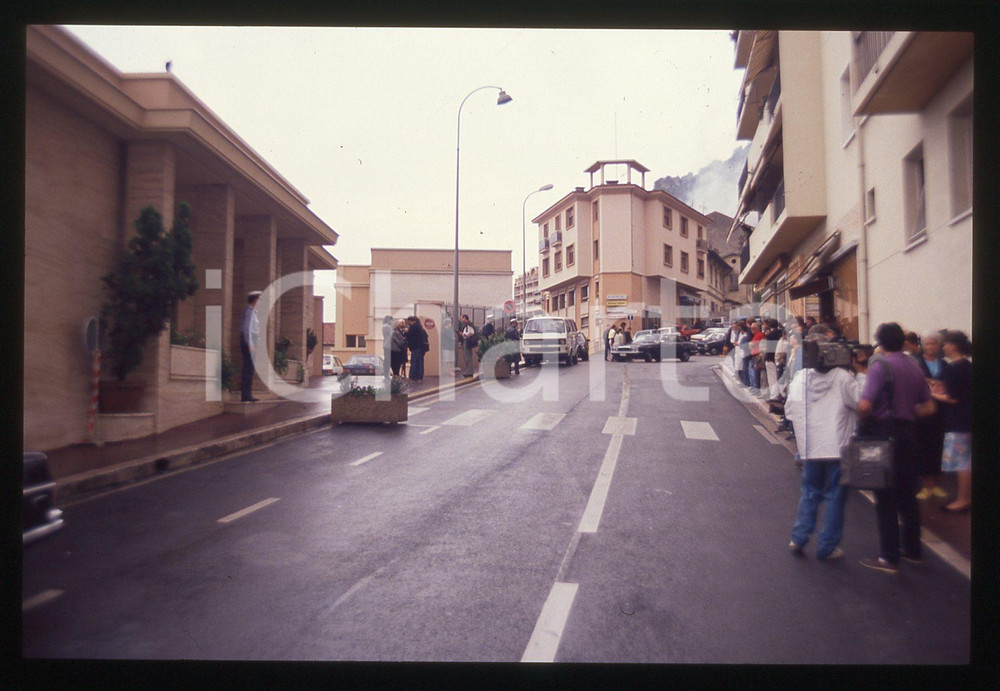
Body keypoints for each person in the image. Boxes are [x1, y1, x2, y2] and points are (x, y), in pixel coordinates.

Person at [856, 322, 936, 574]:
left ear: (879, 343)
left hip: (883, 433)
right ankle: (913, 550)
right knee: (907, 494)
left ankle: (888, 558)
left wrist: (858, 413)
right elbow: (929, 407)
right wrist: (906, 411)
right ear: (903, 342)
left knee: (885, 496)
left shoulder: (880, 367)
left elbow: (866, 405)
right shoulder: (914, 367)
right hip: (908, 434)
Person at [785, 325, 865, 560]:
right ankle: (827, 546)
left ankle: (798, 537)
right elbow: (861, 403)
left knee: (809, 493)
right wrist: (860, 372)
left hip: (811, 446)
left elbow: (790, 411)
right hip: (838, 447)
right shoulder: (842, 378)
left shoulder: (800, 377)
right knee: (834, 498)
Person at [931, 330, 972, 513]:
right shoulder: (967, 365)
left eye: (946, 343)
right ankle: (964, 497)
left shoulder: (953, 367)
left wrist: (931, 394)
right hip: (967, 417)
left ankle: (963, 499)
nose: (944, 347)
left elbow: (953, 398)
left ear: (953, 346)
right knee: (966, 460)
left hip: (957, 420)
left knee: (962, 462)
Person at [914, 330, 947, 501]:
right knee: (924, 448)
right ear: (922, 346)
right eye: (927, 343)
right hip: (924, 411)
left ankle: (936, 484)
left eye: (933, 343)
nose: (930, 346)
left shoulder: (944, 364)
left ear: (939, 346)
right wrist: (934, 383)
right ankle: (927, 486)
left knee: (938, 447)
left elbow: (948, 384)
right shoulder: (917, 363)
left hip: (941, 410)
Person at [240, 290, 261, 402]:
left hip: (251, 340)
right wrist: (250, 344)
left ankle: (247, 394)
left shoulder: (253, 312)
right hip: (249, 341)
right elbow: (247, 329)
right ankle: (246, 395)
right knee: (248, 368)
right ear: (254, 300)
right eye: (258, 299)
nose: (258, 301)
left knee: (249, 368)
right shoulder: (250, 312)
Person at [405, 315, 430, 383]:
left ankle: (412, 377)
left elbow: (409, 336)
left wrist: (406, 332)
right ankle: (419, 377)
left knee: (414, 362)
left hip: (416, 347)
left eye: (408, 321)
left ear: (411, 321)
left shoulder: (413, 327)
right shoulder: (419, 327)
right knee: (420, 362)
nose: (408, 323)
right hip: (421, 348)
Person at [764, 318, 783, 401]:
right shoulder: (780, 333)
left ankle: (773, 396)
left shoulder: (770, 335)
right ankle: (778, 395)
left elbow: (768, 348)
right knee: (777, 377)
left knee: (772, 379)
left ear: (768, 325)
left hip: (770, 358)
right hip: (778, 358)